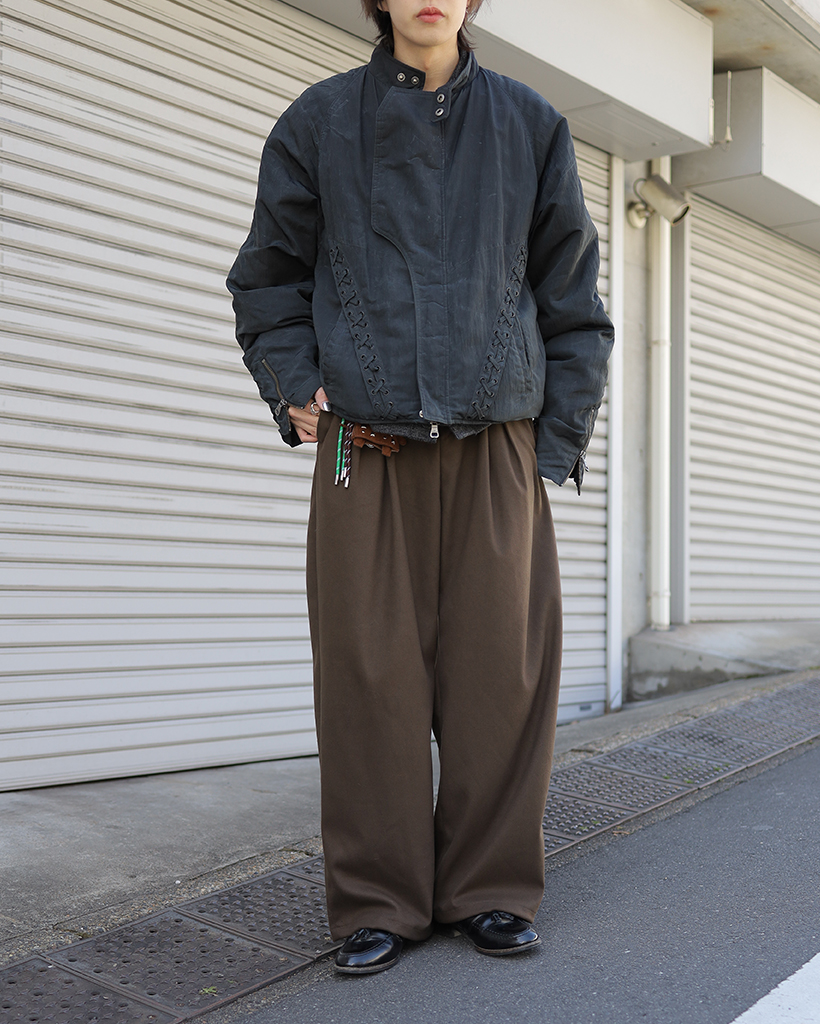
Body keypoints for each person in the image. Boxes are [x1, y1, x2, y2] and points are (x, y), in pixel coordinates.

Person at [227, 0, 614, 975]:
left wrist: (550, 444)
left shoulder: (529, 125)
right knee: (367, 678)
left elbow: (573, 301)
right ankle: (378, 900)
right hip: (365, 448)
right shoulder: (319, 122)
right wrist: (292, 383)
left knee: (500, 676)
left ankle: (491, 889)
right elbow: (267, 279)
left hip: (495, 448)